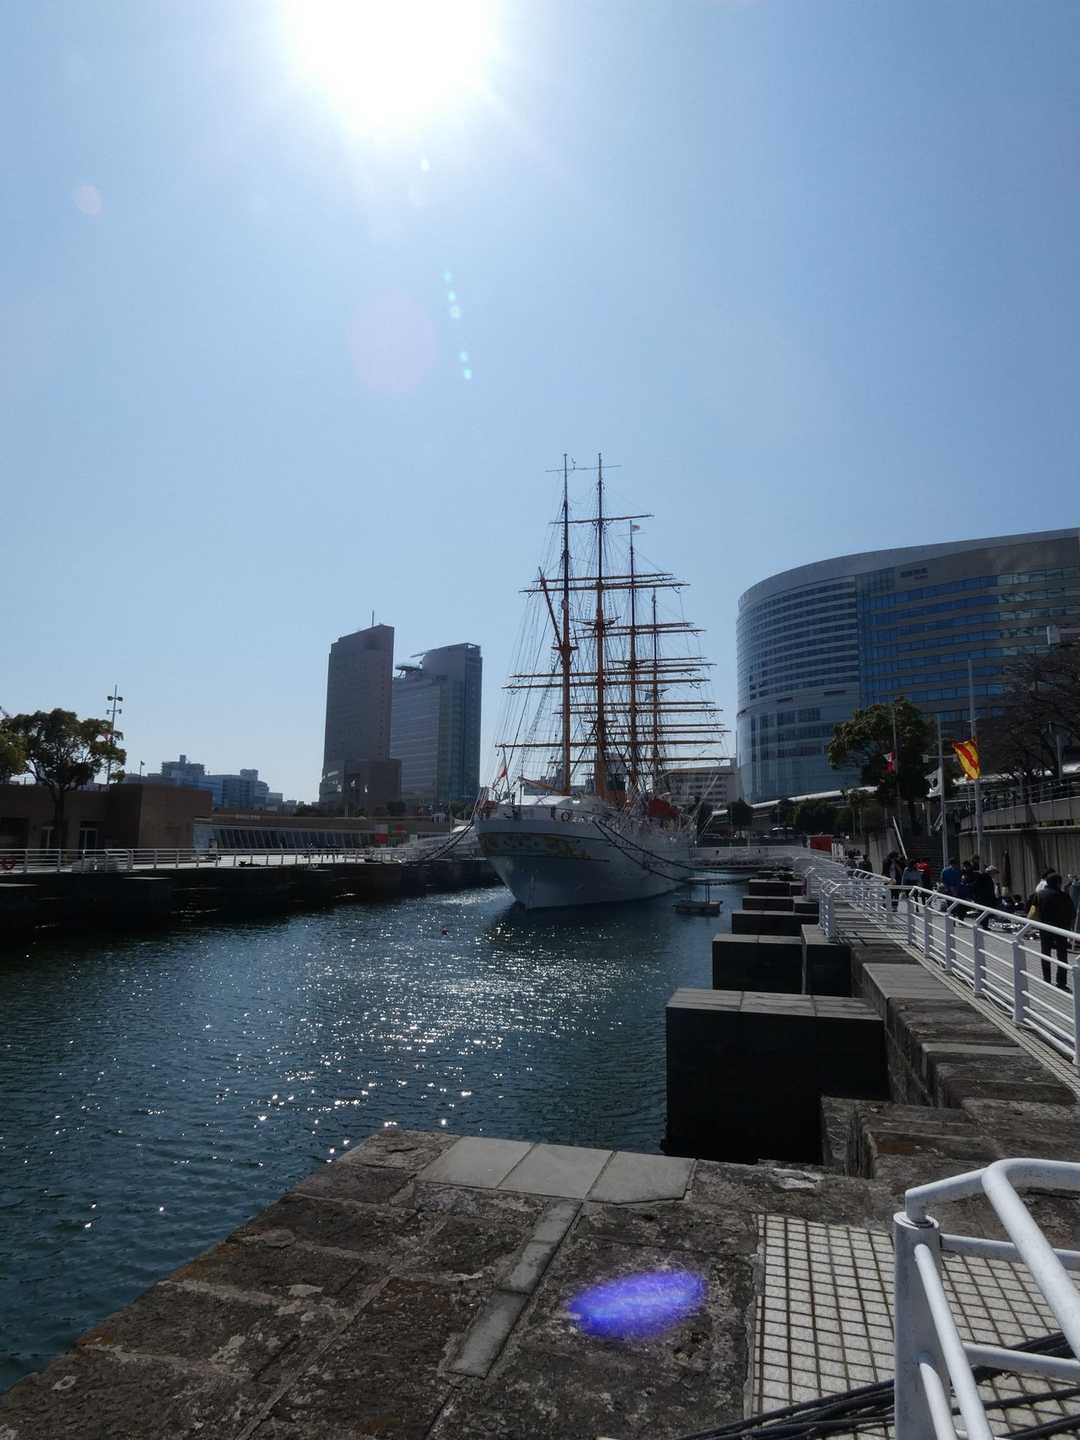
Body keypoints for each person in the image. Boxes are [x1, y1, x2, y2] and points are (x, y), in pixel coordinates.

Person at [1036, 874, 1074, 990]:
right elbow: (1072, 913)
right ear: (1058, 883)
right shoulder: (1063, 896)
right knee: (1062, 955)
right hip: (1061, 927)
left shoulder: (1039, 894)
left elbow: (1029, 909)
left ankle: (1046, 979)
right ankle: (1061, 983)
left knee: (1045, 952)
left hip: (1044, 926)